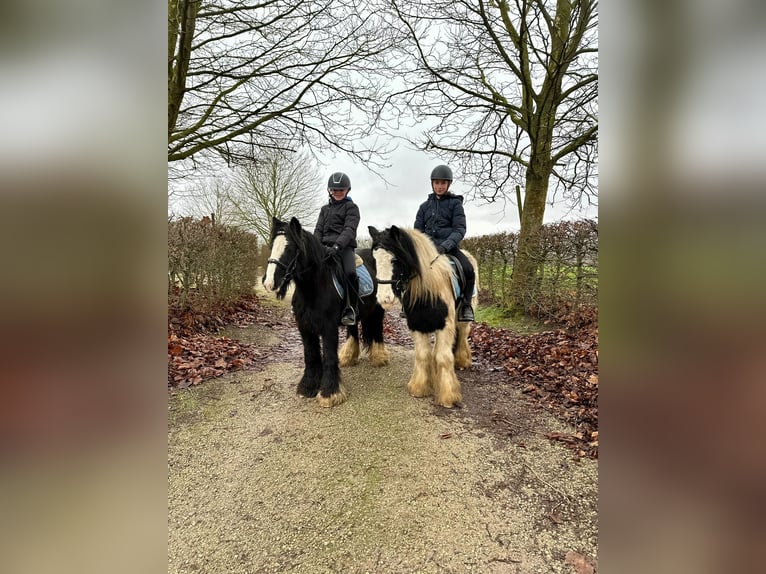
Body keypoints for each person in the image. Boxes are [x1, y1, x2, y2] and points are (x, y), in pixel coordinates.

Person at [414, 164, 476, 322]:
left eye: (443, 183)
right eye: (436, 183)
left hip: (449, 248)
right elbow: (418, 231)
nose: (439, 186)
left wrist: (445, 246)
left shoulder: (455, 205)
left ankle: (465, 306)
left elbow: (460, 229)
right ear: (432, 184)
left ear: (448, 184)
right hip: (428, 250)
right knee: (409, 268)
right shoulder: (423, 207)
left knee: (468, 270)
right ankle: (409, 304)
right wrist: (425, 247)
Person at [314, 171, 360, 326]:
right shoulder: (324, 209)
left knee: (351, 273)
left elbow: (349, 229)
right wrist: (316, 246)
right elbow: (318, 229)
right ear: (330, 191)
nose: (337, 193)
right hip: (324, 247)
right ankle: (298, 302)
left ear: (347, 190)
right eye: (334, 190)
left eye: (341, 190)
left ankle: (350, 308)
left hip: (344, 248)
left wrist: (337, 246)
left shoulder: (352, 208)